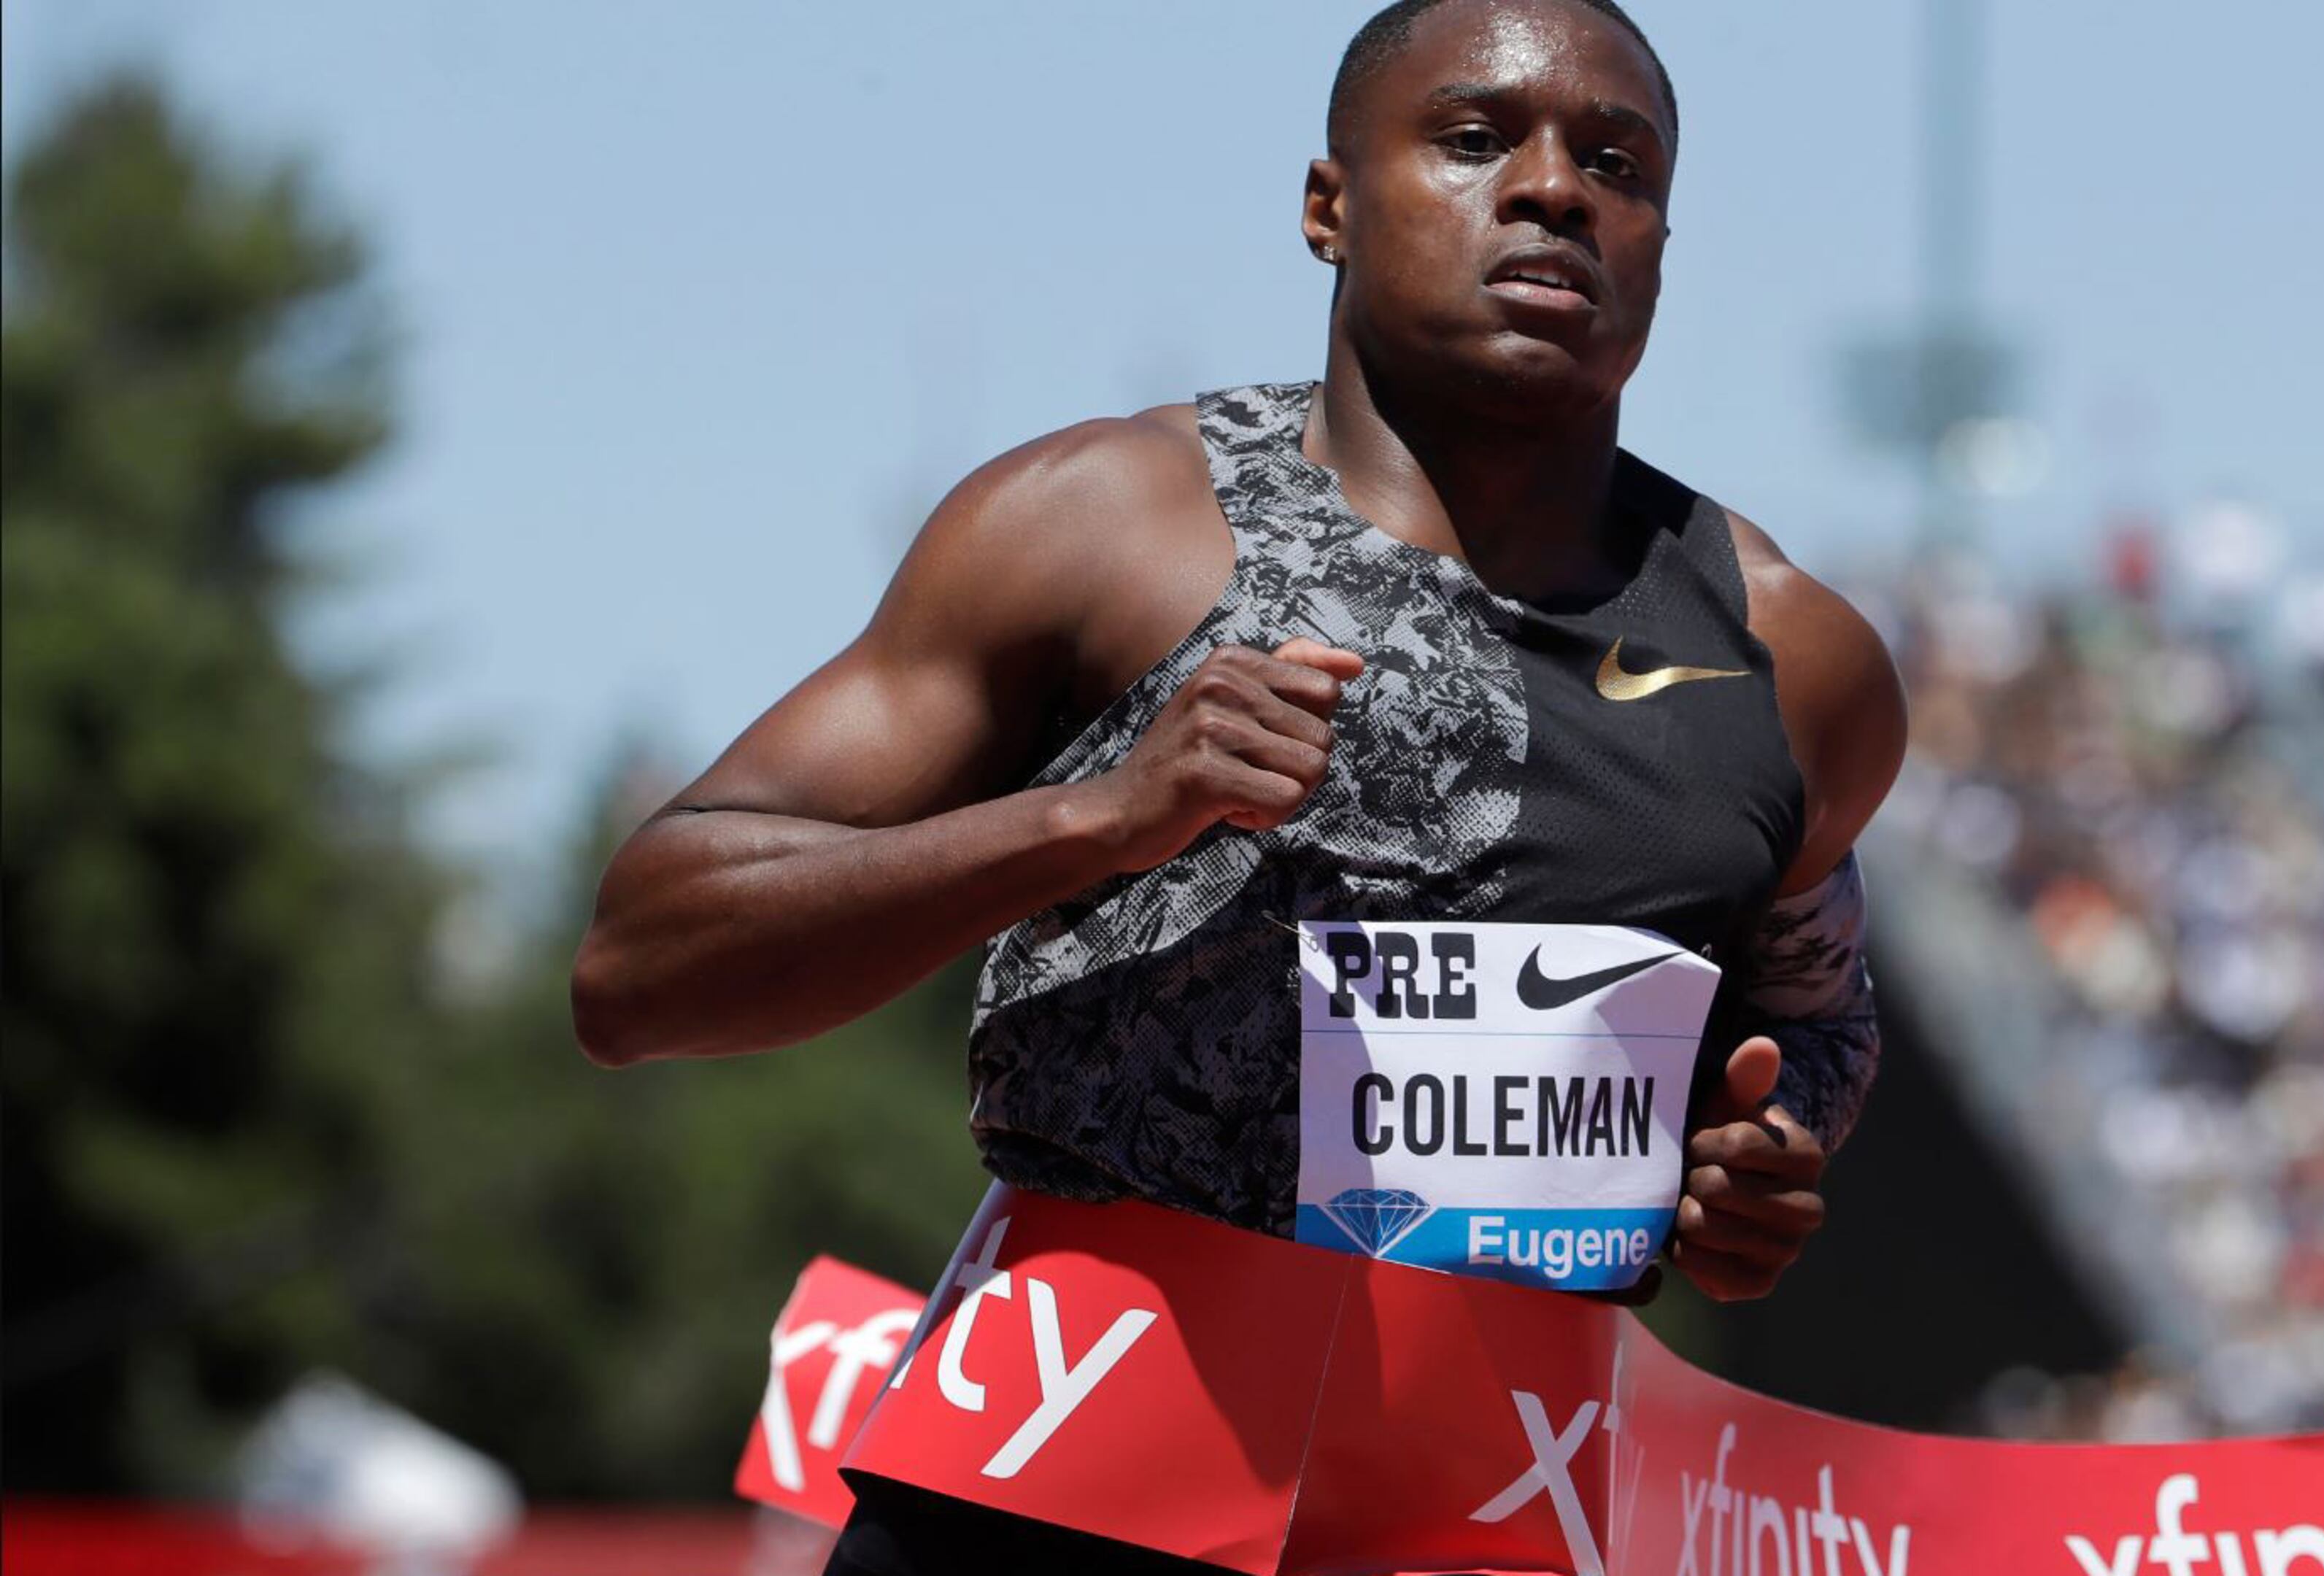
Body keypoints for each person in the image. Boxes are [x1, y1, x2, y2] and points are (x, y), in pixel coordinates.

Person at [571, 0, 1905, 1567]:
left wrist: (1750, 1164)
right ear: (1328, 206)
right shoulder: (1104, 526)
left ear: (1663, 243)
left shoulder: (1790, 658)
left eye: (1617, 165)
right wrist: (1098, 816)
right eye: (1476, 140)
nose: (1554, 190)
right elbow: (639, 969)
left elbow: (1816, 1021)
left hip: (1480, 1519)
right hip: (1060, 1501)